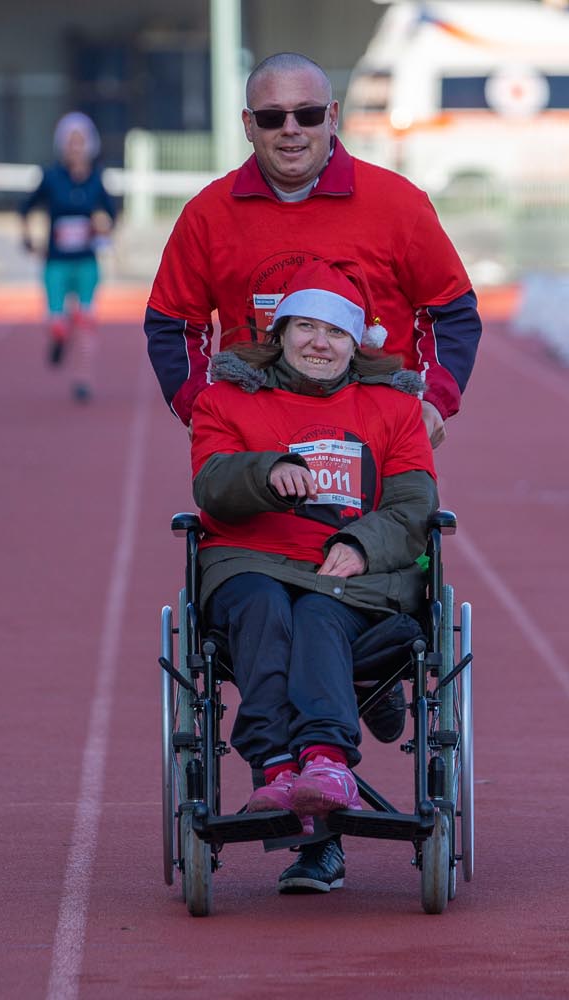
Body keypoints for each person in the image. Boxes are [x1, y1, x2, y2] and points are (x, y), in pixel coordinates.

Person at [192, 258, 439, 895]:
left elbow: (415, 508)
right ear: (279, 333)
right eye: (304, 327)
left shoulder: (393, 409)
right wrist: (265, 472)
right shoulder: (225, 401)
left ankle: (326, 763)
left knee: (317, 611)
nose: (319, 342)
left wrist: (361, 543)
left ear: (356, 341)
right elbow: (211, 484)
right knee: (265, 605)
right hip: (252, 563)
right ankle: (276, 765)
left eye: (334, 331)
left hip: (351, 581)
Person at [145, 52, 482, 449]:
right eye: (272, 117)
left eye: (307, 114)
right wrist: (200, 406)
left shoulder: (399, 205)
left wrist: (434, 400)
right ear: (249, 125)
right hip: (252, 444)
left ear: (332, 116)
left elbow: (451, 311)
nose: (291, 129)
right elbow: (173, 323)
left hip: (378, 442)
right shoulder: (207, 214)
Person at [18, 112, 117, 401]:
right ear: (62, 144)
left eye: (81, 141)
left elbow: (111, 214)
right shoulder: (50, 177)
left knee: (87, 319)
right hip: (56, 261)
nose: (76, 147)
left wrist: (104, 227)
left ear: (90, 144)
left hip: (86, 260)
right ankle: (58, 337)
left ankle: (83, 378)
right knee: (58, 322)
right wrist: (29, 239)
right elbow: (25, 207)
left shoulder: (98, 178)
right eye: (71, 141)